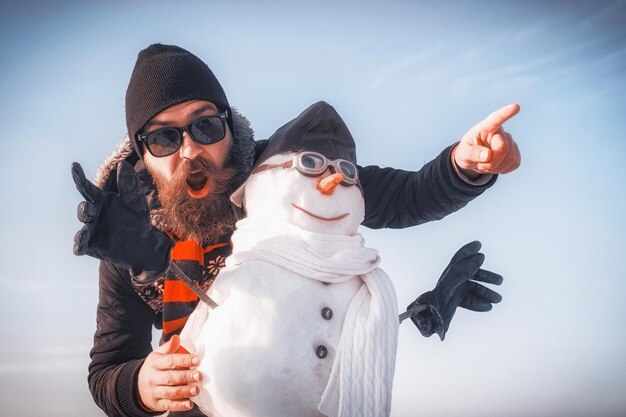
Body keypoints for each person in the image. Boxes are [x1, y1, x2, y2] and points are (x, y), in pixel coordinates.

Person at [72, 43, 520, 417]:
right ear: (142, 153)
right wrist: (141, 386)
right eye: (164, 138)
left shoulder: (283, 173)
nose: (191, 149)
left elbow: (405, 196)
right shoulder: (127, 232)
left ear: (227, 125)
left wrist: (465, 166)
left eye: (205, 125)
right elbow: (108, 369)